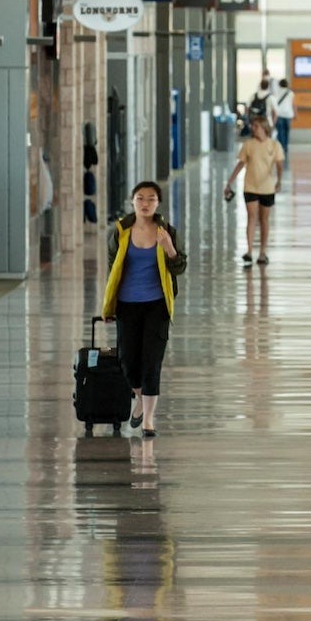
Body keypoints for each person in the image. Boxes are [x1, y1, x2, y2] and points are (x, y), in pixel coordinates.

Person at [103, 181, 185, 438]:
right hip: (127, 304)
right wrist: (110, 303)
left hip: (157, 305)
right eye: (140, 198)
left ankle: (148, 419)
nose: (145, 203)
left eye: (151, 199)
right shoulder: (120, 232)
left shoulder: (167, 231)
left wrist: (169, 248)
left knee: (152, 362)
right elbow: (112, 269)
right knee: (128, 361)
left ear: (158, 203)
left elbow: (179, 266)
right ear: (132, 202)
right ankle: (140, 398)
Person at [224, 115, 284, 266]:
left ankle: (262, 252)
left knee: (264, 220)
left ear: (264, 127)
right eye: (253, 126)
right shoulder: (248, 144)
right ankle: (249, 251)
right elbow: (241, 164)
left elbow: (279, 165)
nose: (253, 128)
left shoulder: (274, 145)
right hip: (250, 186)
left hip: (267, 187)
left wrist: (279, 181)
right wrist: (229, 182)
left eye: (256, 126)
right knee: (251, 217)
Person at [269, 78, 296, 156]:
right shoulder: (291, 93)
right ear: (287, 84)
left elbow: (273, 105)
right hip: (288, 115)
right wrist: (295, 114)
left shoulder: (276, 93)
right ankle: (285, 147)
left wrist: (272, 115)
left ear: (279, 84)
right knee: (287, 132)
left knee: (280, 132)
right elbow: (293, 105)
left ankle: (281, 147)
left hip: (279, 114)